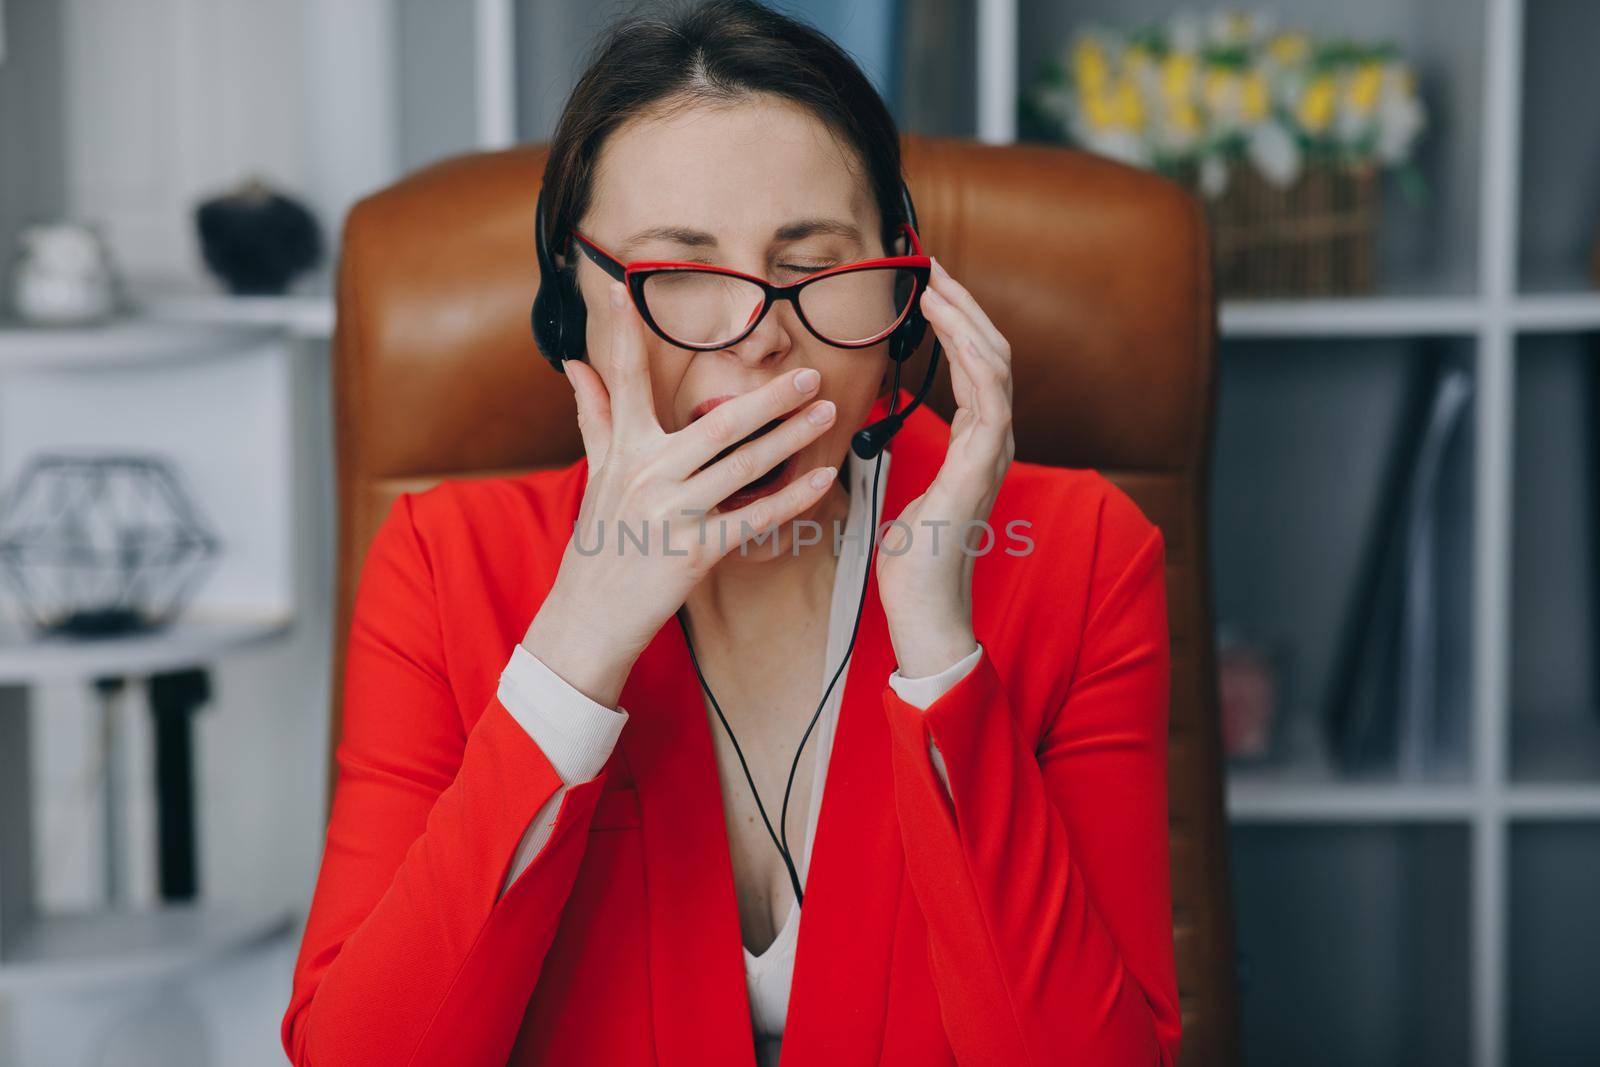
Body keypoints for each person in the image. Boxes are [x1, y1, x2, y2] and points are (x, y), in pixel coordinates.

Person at [281, 2, 1181, 1065]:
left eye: (812, 266)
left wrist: (943, 659)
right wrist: (577, 647)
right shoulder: (444, 562)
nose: (758, 338)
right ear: (575, 293)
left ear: (904, 285)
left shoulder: (1078, 554)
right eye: (683, 274)